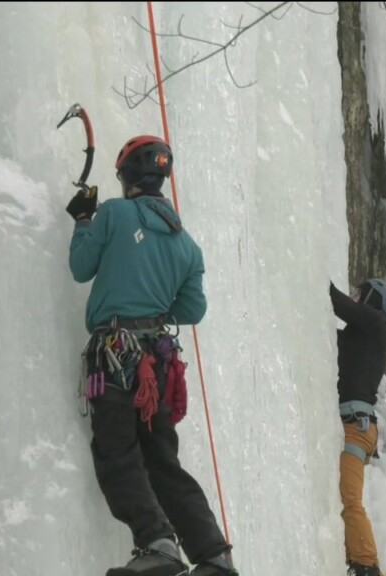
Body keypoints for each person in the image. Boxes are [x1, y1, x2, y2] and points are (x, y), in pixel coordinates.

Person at [66, 135, 237, 576]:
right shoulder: (187, 245)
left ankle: (156, 542)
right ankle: (214, 554)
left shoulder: (114, 214)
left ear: (125, 177)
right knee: (163, 461)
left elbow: (82, 267)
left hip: (115, 357)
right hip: (157, 366)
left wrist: (84, 220)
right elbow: (192, 310)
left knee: (117, 454)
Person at [329, 278, 386, 576]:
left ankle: (368, 566)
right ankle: (356, 562)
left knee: (350, 499)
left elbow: (337, 302)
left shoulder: (376, 323)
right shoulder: (360, 335)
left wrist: (317, 274)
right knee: (345, 498)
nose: (355, 296)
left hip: (356, 427)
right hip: (355, 425)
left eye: (361, 292)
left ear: (373, 298)